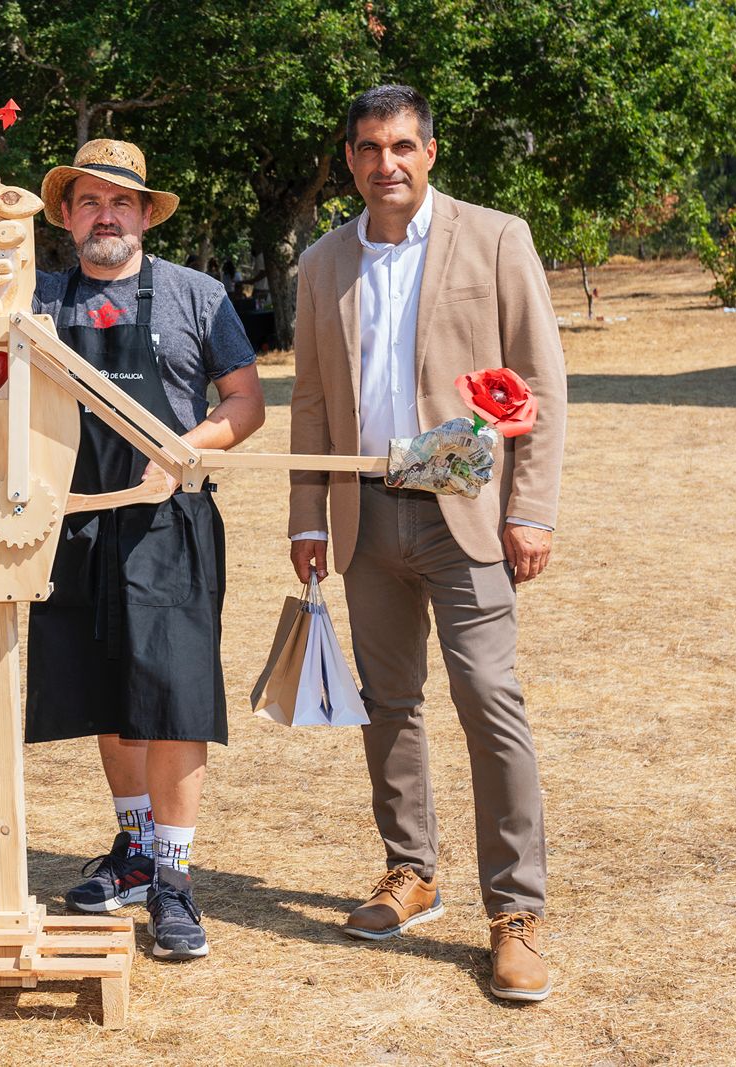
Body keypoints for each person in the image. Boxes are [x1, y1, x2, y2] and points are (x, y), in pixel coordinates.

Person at [288, 85, 566, 1002]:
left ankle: (515, 912)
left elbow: (540, 383)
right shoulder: (323, 261)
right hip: (363, 514)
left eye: (403, 146)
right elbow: (312, 400)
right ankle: (410, 871)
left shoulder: (497, 239)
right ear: (350, 159)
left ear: (431, 152)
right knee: (389, 702)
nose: (387, 164)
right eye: (369, 148)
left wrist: (532, 509)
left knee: (488, 700)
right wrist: (306, 516)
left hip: (465, 510)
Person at [0, 140, 265, 962]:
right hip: (75, 520)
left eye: (121, 201)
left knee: (174, 698)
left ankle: (174, 877)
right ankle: (134, 849)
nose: (106, 216)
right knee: (107, 691)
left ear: (145, 215)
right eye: (90, 201)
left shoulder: (198, 295)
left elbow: (245, 402)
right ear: (64, 216)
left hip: (170, 522)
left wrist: (184, 449)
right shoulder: (37, 296)